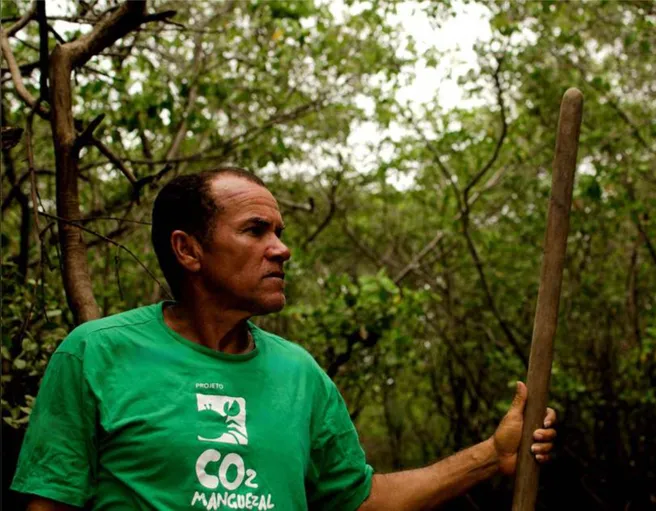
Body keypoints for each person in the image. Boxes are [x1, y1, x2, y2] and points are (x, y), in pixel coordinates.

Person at [11, 167, 557, 510]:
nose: (280, 249)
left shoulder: (300, 375)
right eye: (256, 230)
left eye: (280, 233)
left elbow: (363, 500)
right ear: (188, 250)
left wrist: (491, 455)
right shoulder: (95, 354)